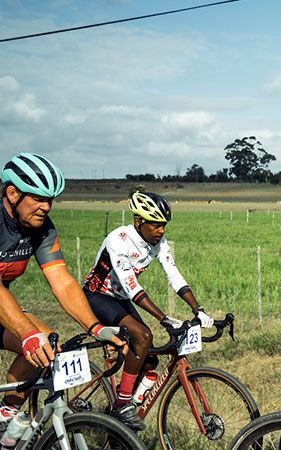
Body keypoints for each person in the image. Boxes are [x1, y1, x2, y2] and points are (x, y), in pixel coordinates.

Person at [0, 153, 124, 413]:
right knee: (34, 341)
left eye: (50, 200)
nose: (46, 207)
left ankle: (6, 424)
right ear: (13, 194)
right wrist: (26, 333)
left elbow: (62, 280)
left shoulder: (41, 228)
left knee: (47, 348)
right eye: (38, 199)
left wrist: (96, 327)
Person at [83, 191, 213, 431]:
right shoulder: (118, 239)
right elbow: (131, 286)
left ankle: (122, 425)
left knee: (149, 359)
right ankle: (122, 405)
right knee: (143, 336)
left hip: (120, 299)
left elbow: (174, 275)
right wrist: (164, 318)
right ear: (138, 222)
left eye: (164, 225)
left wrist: (199, 309)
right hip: (96, 296)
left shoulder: (158, 243)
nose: (161, 231)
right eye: (156, 225)